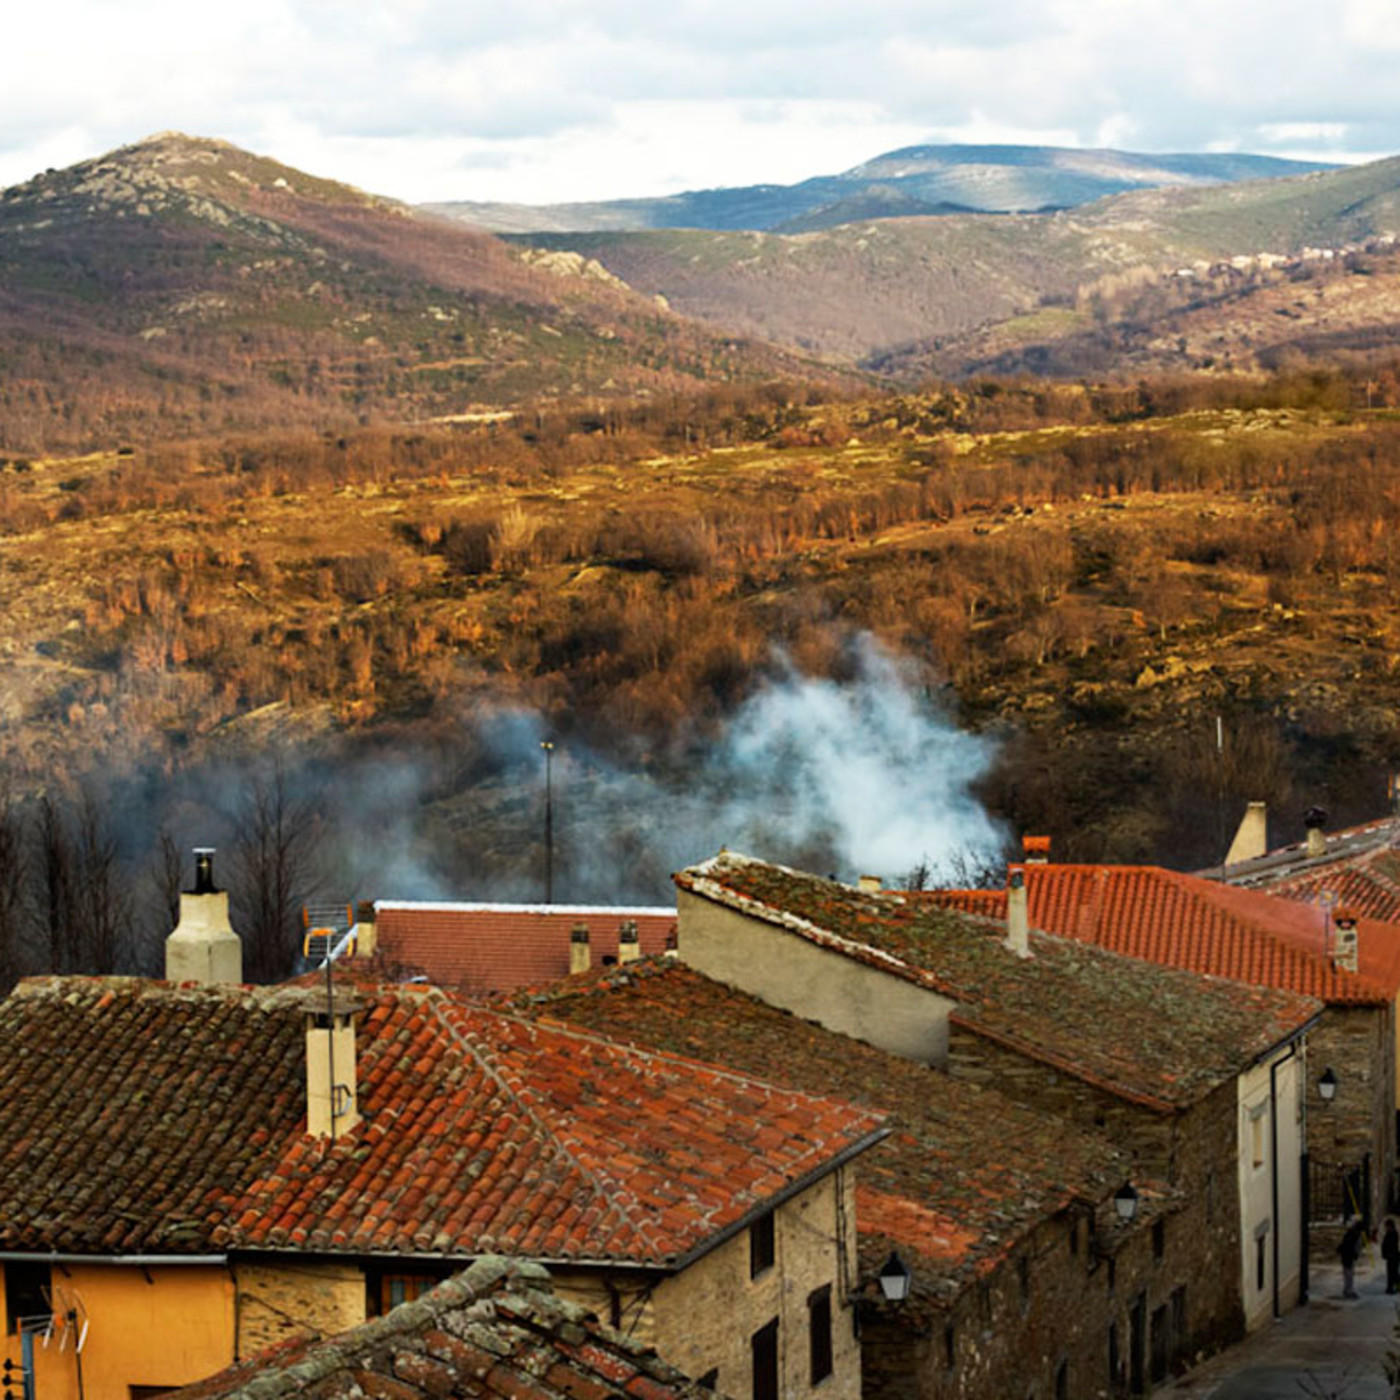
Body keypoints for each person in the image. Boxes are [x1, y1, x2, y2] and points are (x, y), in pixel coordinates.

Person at [1339, 1216, 1365, 1298]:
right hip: (1348, 1256)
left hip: (1347, 1256)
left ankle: (1348, 1289)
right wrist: (1354, 1254)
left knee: (1348, 1274)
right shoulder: (1353, 1235)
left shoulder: (1351, 1234)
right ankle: (1348, 1290)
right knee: (1349, 1274)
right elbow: (1350, 1246)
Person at [1383, 1218, 1400, 1295]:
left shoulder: (1393, 1233)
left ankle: (1392, 1287)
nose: (1386, 1228)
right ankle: (1390, 1287)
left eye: (1386, 1226)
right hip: (1391, 1256)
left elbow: (1390, 1245)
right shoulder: (1390, 1233)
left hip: (1393, 1256)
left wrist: (1388, 1253)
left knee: (1393, 1273)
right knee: (1392, 1272)